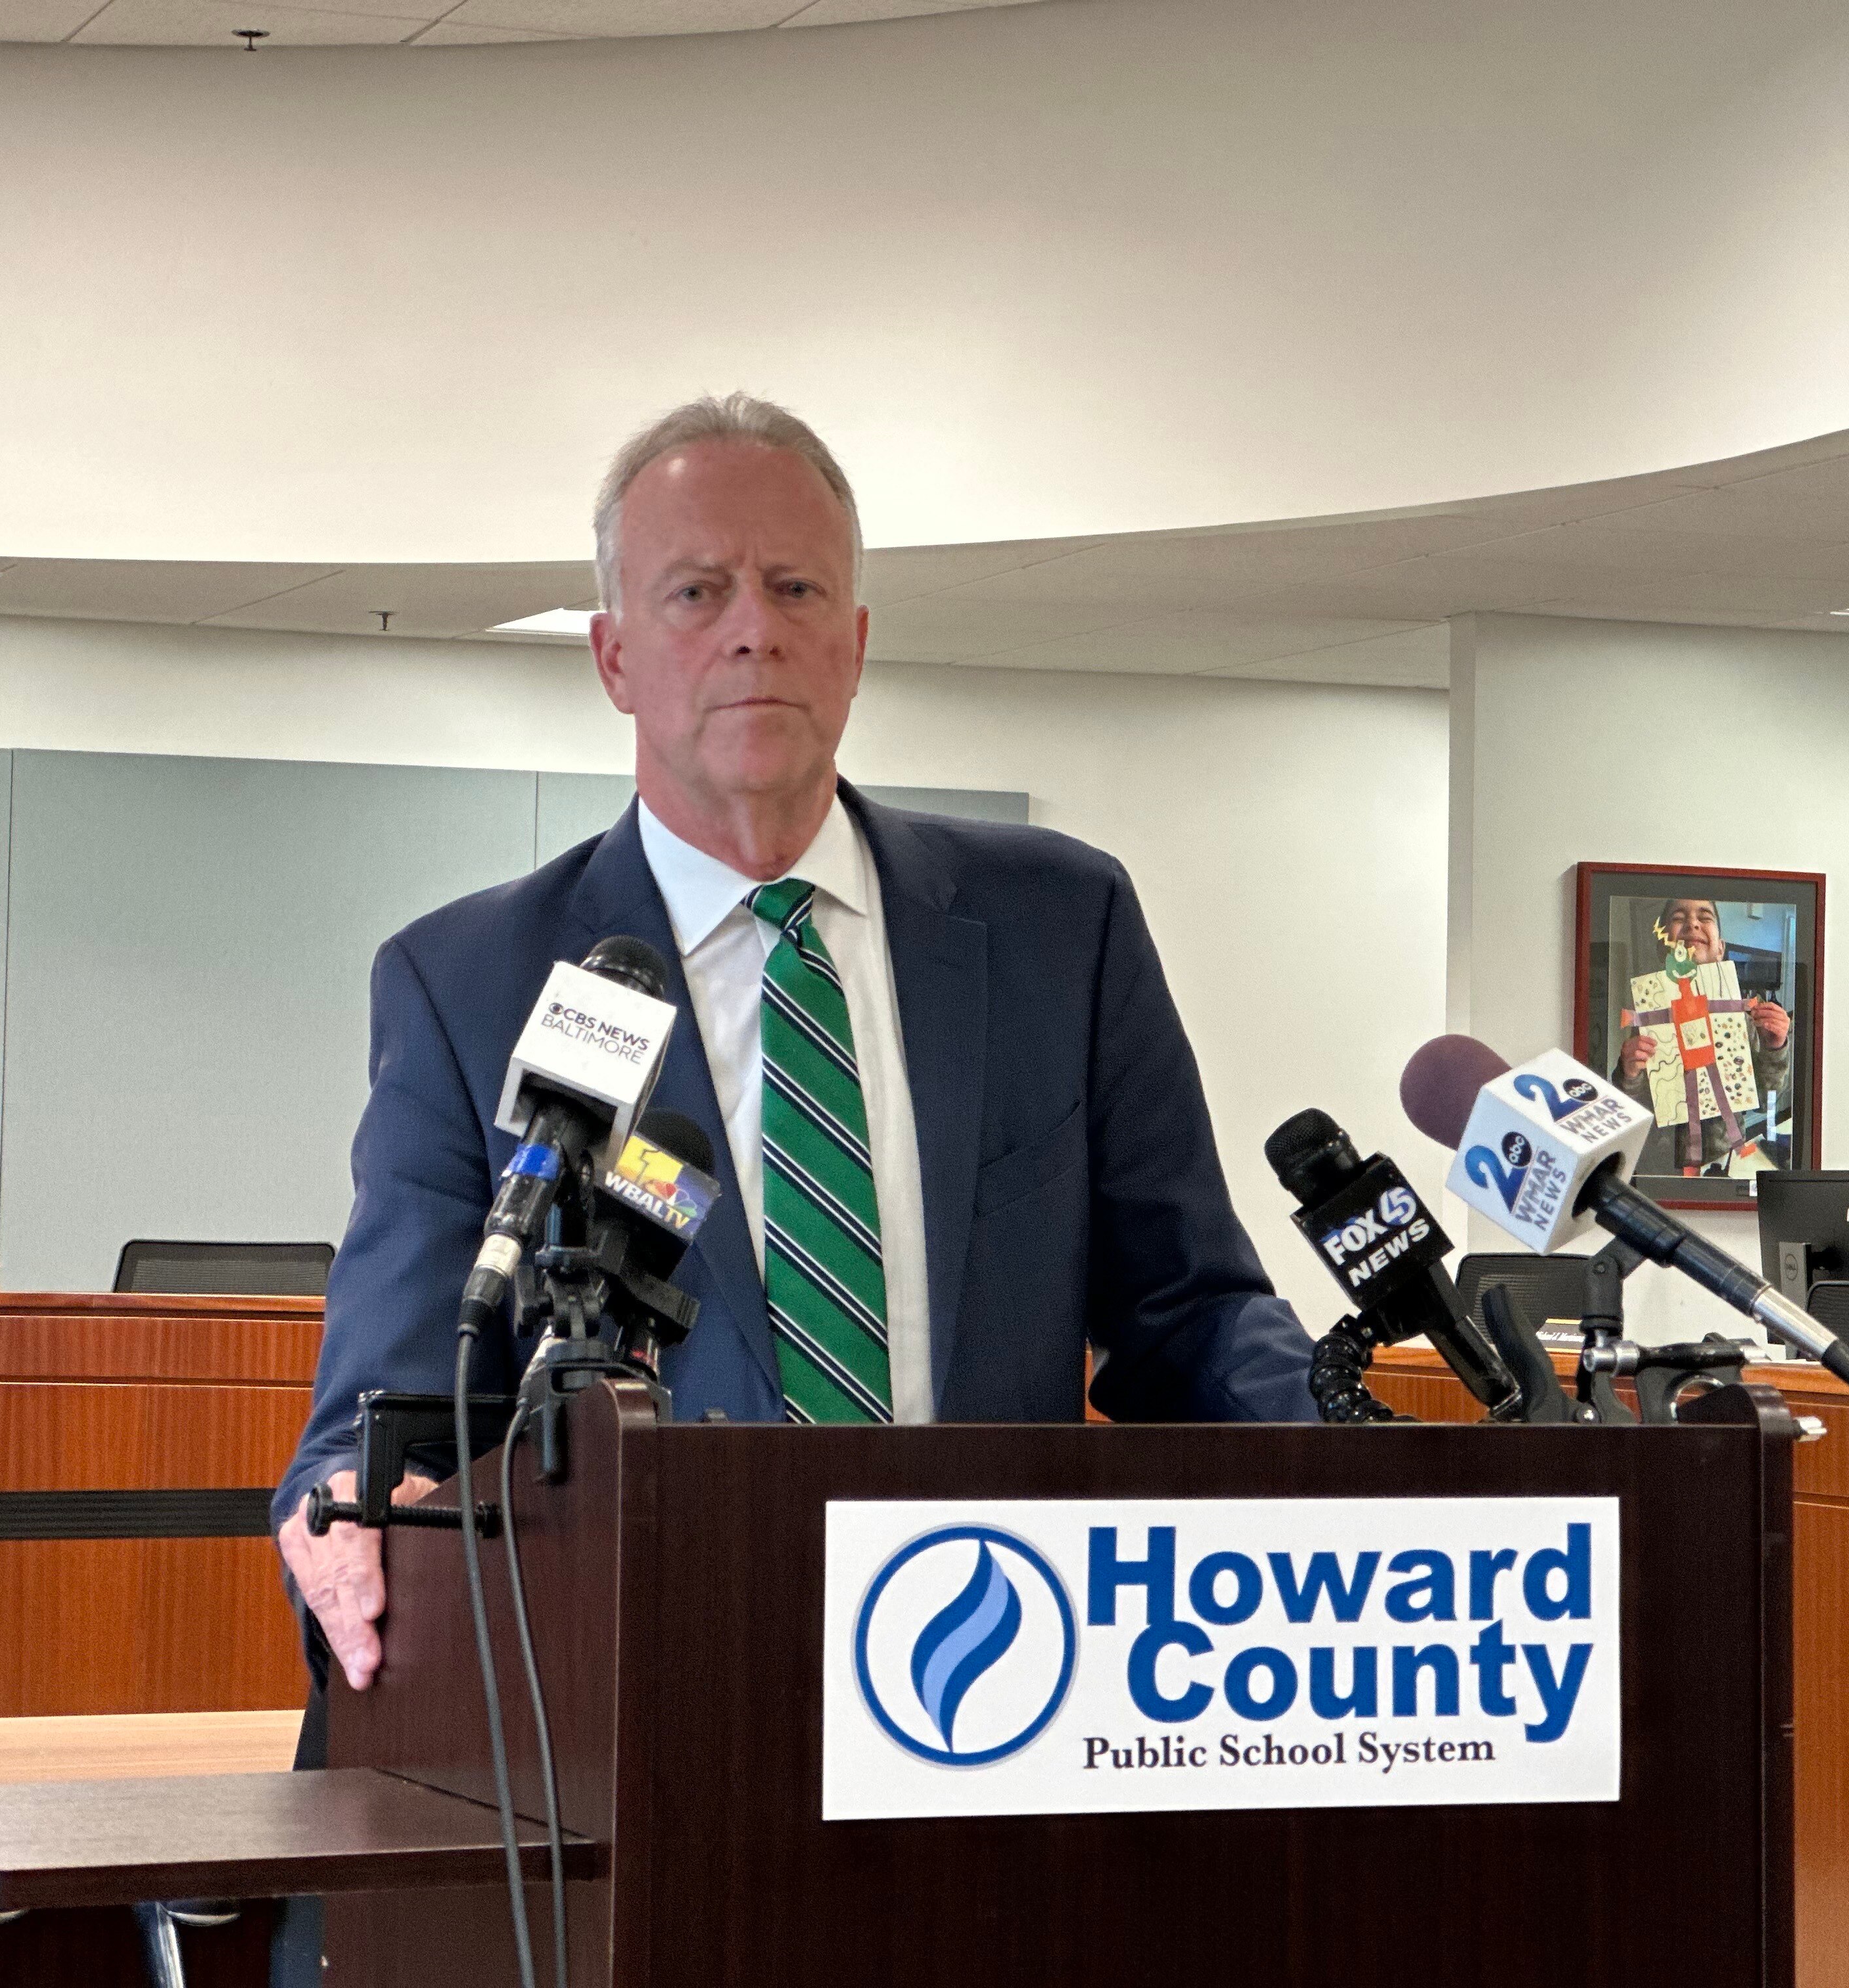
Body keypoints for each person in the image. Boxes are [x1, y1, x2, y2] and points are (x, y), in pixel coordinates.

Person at [271, 392, 1317, 1697]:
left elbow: (1191, 1320)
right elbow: (393, 1395)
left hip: (1000, 1685)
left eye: (797, 588)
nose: (756, 630)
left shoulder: (1062, 927)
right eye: (698, 593)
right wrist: (349, 1509)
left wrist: (1366, 1487)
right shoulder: (471, 983)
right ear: (612, 659)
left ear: (858, 642)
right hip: (648, 1694)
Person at [1612, 895, 1792, 1177]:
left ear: (1720, 948)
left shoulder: (1740, 1022)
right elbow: (1636, 1107)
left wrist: (1775, 1048)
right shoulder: (1651, 1017)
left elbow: (1763, 1093)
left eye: (1705, 917)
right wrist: (1629, 1075)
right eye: (1678, 918)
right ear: (1664, 947)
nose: (1693, 923)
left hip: (1721, 1162)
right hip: (1660, 1165)